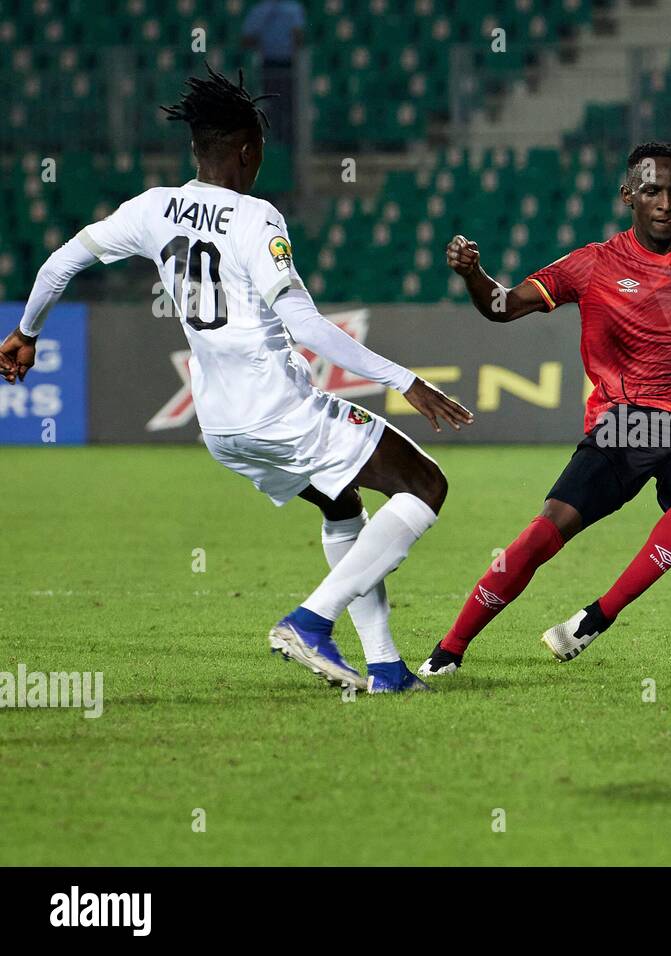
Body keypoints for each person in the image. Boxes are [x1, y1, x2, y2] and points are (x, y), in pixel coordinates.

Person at [0, 67, 472, 693]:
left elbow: (61, 262)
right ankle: (311, 621)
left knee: (341, 502)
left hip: (221, 426)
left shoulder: (151, 208)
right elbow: (303, 323)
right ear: (249, 151)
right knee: (426, 484)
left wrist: (26, 333)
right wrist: (404, 379)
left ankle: (385, 666)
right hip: (279, 410)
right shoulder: (257, 218)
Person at [418, 142, 671, 676]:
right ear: (628, 197)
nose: (666, 202)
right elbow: (502, 307)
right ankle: (447, 652)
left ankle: (598, 615)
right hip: (626, 425)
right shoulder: (593, 264)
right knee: (544, 531)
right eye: (652, 191)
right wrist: (473, 275)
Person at [240, 0, 305, 148]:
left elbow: (298, 36)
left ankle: (285, 144)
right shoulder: (263, 10)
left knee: (283, 106)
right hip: (272, 65)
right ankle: (276, 143)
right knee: (274, 106)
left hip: (285, 65)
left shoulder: (289, 8)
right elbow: (246, 39)